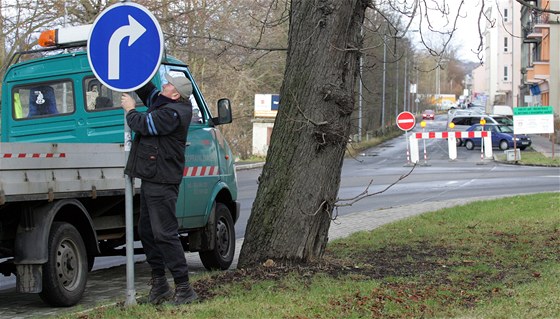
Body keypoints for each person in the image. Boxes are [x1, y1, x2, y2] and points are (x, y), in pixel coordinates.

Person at [120, 73, 196, 305]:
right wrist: (132, 70)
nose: (164, 84)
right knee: (148, 232)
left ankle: (184, 289)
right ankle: (160, 284)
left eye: (168, 83)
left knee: (164, 233)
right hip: (153, 178)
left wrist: (130, 110)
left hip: (162, 180)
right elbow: (148, 91)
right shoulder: (165, 102)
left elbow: (144, 125)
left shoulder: (174, 113)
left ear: (176, 93)